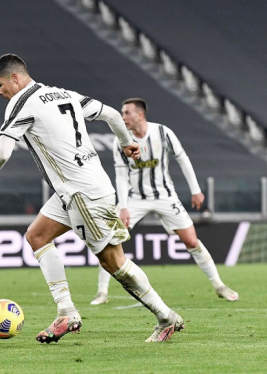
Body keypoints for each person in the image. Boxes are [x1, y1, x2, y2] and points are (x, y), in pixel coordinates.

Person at [0, 54, 183, 343]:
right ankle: (66, 312)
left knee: (113, 263)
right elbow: (113, 116)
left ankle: (165, 317)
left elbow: (3, 151)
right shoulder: (62, 94)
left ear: (14, 78)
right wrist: (126, 142)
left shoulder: (21, 103)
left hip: (82, 193)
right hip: (77, 188)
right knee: (37, 236)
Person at [90, 98, 239, 305]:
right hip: (135, 198)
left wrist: (195, 190)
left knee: (192, 242)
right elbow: (121, 175)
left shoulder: (163, 133)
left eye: (127, 113)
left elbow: (182, 158)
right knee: (110, 239)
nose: (122, 117)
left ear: (140, 115)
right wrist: (123, 206)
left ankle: (219, 285)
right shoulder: (120, 140)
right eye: (122, 113)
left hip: (165, 196)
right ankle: (102, 292)